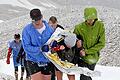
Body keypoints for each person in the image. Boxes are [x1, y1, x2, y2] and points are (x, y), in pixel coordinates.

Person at [74, 7, 105, 80]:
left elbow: (101, 43)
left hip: (93, 57)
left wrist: (87, 51)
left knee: (87, 76)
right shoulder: (79, 27)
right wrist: (78, 44)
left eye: (92, 19)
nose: (90, 21)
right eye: (88, 19)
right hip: (82, 57)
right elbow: (74, 40)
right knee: (84, 77)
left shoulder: (100, 26)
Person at [22, 8, 54, 80]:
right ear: (32, 19)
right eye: (35, 20)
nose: (37, 21)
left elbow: (53, 41)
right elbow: (26, 47)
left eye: (39, 19)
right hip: (33, 60)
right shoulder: (27, 30)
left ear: (42, 17)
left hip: (47, 60)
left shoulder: (49, 29)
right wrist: (40, 49)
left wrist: (54, 44)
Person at [48, 16, 75, 80]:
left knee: (69, 70)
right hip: (52, 54)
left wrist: (62, 47)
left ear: (57, 23)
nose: (53, 27)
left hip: (63, 53)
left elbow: (67, 41)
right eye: (51, 25)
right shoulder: (46, 30)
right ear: (49, 23)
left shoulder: (60, 29)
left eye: (54, 25)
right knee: (55, 71)